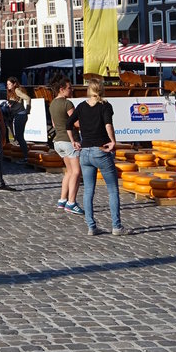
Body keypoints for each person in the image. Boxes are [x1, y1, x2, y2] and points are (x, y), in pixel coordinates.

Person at [67, 79, 122, 236]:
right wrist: (113, 141)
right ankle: (116, 226)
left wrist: (73, 141)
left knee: (88, 190)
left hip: (85, 151)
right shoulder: (105, 106)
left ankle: (91, 226)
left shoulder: (82, 106)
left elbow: (68, 124)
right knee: (112, 189)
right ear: (102, 90)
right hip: (101, 150)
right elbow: (108, 125)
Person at [49, 75, 83, 216]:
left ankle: (62, 200)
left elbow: (54, 124)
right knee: (76, 172)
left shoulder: (52, 104)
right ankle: (71, 202)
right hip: (69, 141)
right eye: (69, 88)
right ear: (62, 89)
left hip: (58, 141)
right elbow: (76, 123)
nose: (72, 90)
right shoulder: (67, 103)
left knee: (69, 172)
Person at [4, 77, 32, 160]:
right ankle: (24, 155)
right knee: (17, 136)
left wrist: (27, 110)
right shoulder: (11, 92)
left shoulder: (17, 90)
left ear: (14, 84)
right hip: (17, 115)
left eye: (9, 84)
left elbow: (28, 98)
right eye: (7, 84)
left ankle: (26, 157)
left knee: (19, 137)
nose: (8, 86)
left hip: (21, 115)